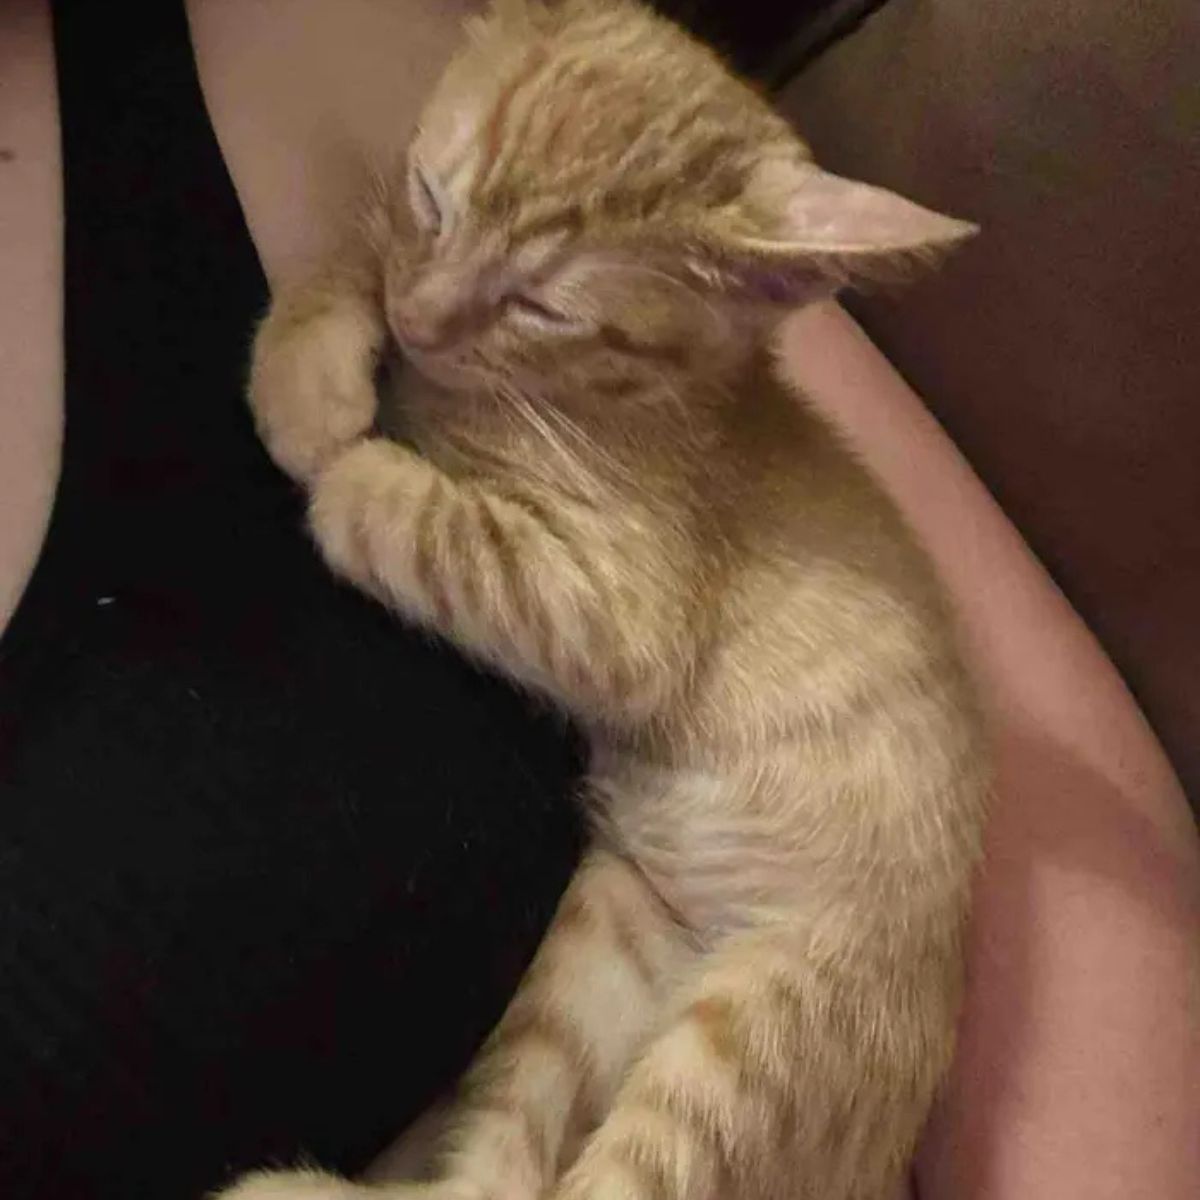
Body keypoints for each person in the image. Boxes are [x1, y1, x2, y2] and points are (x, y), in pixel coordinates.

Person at [1, 2, 1196, 1198]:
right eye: (427, 203)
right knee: (526, 1098)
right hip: (662, 844)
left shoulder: (290, 49)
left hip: (823, 898)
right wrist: (356, 282)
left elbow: (621, 646)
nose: (424, 308)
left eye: (543, 309)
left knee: (673, 1118)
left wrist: (360, 492)